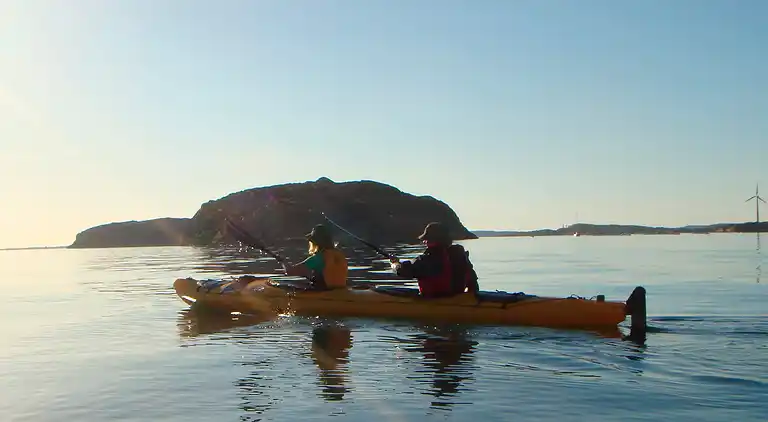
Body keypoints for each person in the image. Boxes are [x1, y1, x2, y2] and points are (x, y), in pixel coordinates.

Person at [390, 222, 479, 298]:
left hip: (437, 301)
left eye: (426, 240)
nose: (425, 242)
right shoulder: (460, 255)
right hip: (459, 299)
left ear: (433, 241)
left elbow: (403, 270)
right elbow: (473, 280)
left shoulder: (427, 259)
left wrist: (395, 264)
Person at [282, 224, 349, 290]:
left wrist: (283, 262)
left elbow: (290, 271)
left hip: (325, 294)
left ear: (315, 242)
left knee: (291, 286)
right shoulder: (340, 256)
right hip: (341, 291)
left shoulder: (318, 258)